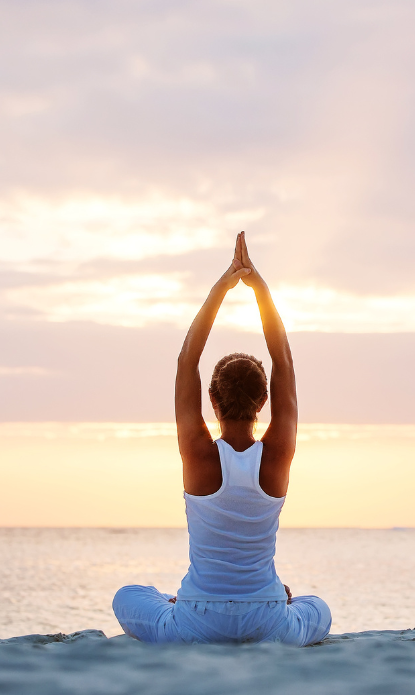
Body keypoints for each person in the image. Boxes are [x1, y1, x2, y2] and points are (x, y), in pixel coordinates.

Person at [113, 232, 331, 646]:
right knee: (318, 608)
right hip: (268, 619)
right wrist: (259, 289)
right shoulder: (277, 455)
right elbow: (283, 359)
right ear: (264, 401)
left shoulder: (197, 454)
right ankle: (272, 600)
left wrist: (222, 288)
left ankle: (178, 601)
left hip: (197, 620)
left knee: (128, 596)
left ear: (211, 399)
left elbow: (186, 360)